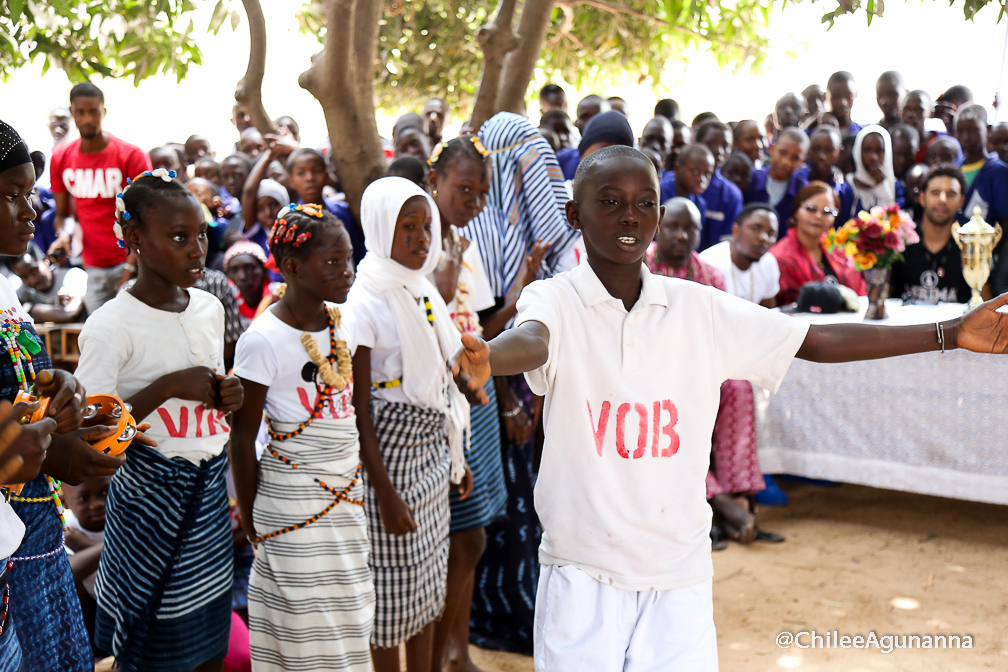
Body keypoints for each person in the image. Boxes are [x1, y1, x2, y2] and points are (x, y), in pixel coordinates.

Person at [453, 143, 1008, 670]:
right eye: (609, 202)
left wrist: (950, 331)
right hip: (584, 571)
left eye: (644, 203)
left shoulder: (698, 309)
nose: (629, 217)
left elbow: (812, 341)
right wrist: (490, 358)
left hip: (679, 575)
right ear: (574, 214)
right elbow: (534, 339)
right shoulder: (557, 298)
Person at [74, 170, 244, 672]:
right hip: (150, 507)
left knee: (208, 640)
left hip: (208, 497)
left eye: (200, 235)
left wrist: (224, 394)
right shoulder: (111, 326)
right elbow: (91, 441)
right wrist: (166, 388)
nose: (196, 250)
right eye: (178, 237)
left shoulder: (210, 309)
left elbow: (206, 397)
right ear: (134, 240)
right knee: (151, 648)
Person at [1, 119, 125, 672]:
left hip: (37, 533)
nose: (30, 209)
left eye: (30, 192)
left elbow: (24, 390)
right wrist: (45, 448)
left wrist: (63, 389)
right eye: (9, 196)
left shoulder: (5, 290)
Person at [229, 204, 372, 671]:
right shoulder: (263, 340)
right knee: (305, 635)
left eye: (349, 259)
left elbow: (356, 416)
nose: (347, 272)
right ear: (292, 268)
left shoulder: (345, 323)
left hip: (346, 501)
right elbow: (242, 439)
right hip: (290, 512)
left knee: (349, 620)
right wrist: (252, 520)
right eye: (333, 262)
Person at [459, 112, 578, 654]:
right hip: (492, 391)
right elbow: (479, 334)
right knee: (498, 501)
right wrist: (510, 401)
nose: (541, 176)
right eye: (528, 163)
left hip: (519, 387)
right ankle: (498, 613)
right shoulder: (477, 232)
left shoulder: (522, 234)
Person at [347, 177, 475, 672]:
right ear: (380, 229)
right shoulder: (366, 302)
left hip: (428, 451)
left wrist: (454, 459)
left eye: (428, 226)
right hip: (389, 462)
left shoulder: (420, 288)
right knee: (389, 601)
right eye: (409, 226)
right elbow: (361, 410)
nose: (423, 238)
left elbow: (443, 379)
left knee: (425, 591)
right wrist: (384, 492)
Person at [426, 137, 508, 672]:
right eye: (463, 188)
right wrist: (441, 282)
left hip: (476, 393)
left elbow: (478, 325)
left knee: (472, 535)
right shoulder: (415, 243)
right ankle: (444, 653)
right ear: (434, 181)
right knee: (459, 533)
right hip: (442, 397)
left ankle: (456, 648)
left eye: (481, 192)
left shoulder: (467, 243)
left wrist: (520, 285)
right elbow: (421, 324)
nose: (474, 200)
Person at [49, 82, 152, 312]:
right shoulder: (61, 157)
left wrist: (130, 268)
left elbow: (145, 218)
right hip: (93, 266)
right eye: (80, 112)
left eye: (93, 112)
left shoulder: (131, 156)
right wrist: (64, 236)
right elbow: (63, 214)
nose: (87, 119)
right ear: (72, 113)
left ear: (103, 112)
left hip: (132, 261)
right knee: (99, 337)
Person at [770, 181, 866, 304]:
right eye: (811, 209)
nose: (818, 216)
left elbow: (859, 294)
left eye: (827, 212)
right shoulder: (780, 256)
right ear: (796, 211)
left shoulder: (840, 250)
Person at [890, 167, 972, 304]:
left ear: (961, 202)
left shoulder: (970, 245)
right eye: (935, 193)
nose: (942, 200)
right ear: (922, 198)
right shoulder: (901, 240)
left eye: (951, 194)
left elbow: (985, 301)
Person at [62, 476, 110, 658]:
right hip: (91, 613)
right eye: (83, 498)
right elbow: (67, 573)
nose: (97, 504)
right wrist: (117, 547)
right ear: (65, 502)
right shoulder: (64, 526)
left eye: (105, 493)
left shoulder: (127, 517)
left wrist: (86, 547)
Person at [700, 202, 781, 306]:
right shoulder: (709, 263)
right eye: (755, 228)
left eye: (770, 234)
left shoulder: (769, 262)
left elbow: (769, 312)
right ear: (736, 229)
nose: (763, 238)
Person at [744, 128, 809, 239]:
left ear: (803, 162)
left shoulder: (803, 191)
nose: (786, 162)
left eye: (795, 158)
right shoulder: (751, 179)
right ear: (772, 149)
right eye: (782, 153)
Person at [953, 104, 1008, 226]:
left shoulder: (999, 172)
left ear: (987, 130)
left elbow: (1005, 221)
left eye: (973, 130)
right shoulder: (953, 169)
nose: (966, 137)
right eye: (960, 132)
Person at [4, 242, 87, 323]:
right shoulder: (25, 289)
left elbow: (70, 313)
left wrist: (32, 311)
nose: (33, 280)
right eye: (24, 277)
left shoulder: (73, 276)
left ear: (45, 260)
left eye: (34, 271)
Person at [695, 121, 743, 250]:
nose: (719, 151)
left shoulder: (731, 195)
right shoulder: (675, 182)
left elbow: (725, 245)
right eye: (711, 144)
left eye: (725, 146)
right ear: (697, 143)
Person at [845, 125, 905, 220]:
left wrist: (882, 189)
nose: (873, 157)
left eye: (879, 151)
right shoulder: (846, 186)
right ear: (857, 152)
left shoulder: (897, 188)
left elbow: (894, 223)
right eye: (867, 150)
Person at [793, 126, 854, 219]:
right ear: (808, 150)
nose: (822, 156)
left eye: (829, 151)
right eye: (815, 150)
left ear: (840, 152)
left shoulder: (844, 190)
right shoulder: (795, 180)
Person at [223, 240, 274, 328]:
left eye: (249, 268)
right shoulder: (226, 300)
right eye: (234, 270)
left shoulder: (279, 294)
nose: (242, 276)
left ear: (264, 270)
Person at [659, 144, 713, 221]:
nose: (701, 179)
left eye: (707, 174)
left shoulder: (700, 204)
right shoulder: (658, 193)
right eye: (695, 172)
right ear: (677, 169)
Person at [902, 90, 938, 163]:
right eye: (906, 109)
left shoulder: (936, 142)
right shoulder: (894, 141)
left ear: (931, 113)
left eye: (918, 110)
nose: (911, 114)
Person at [827, 71, 861, 137]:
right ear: (826, 96)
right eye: (836, 97)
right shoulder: (814, 132)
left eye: (849, 96)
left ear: (855, 94)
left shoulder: (862, 134)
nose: (843, 103)